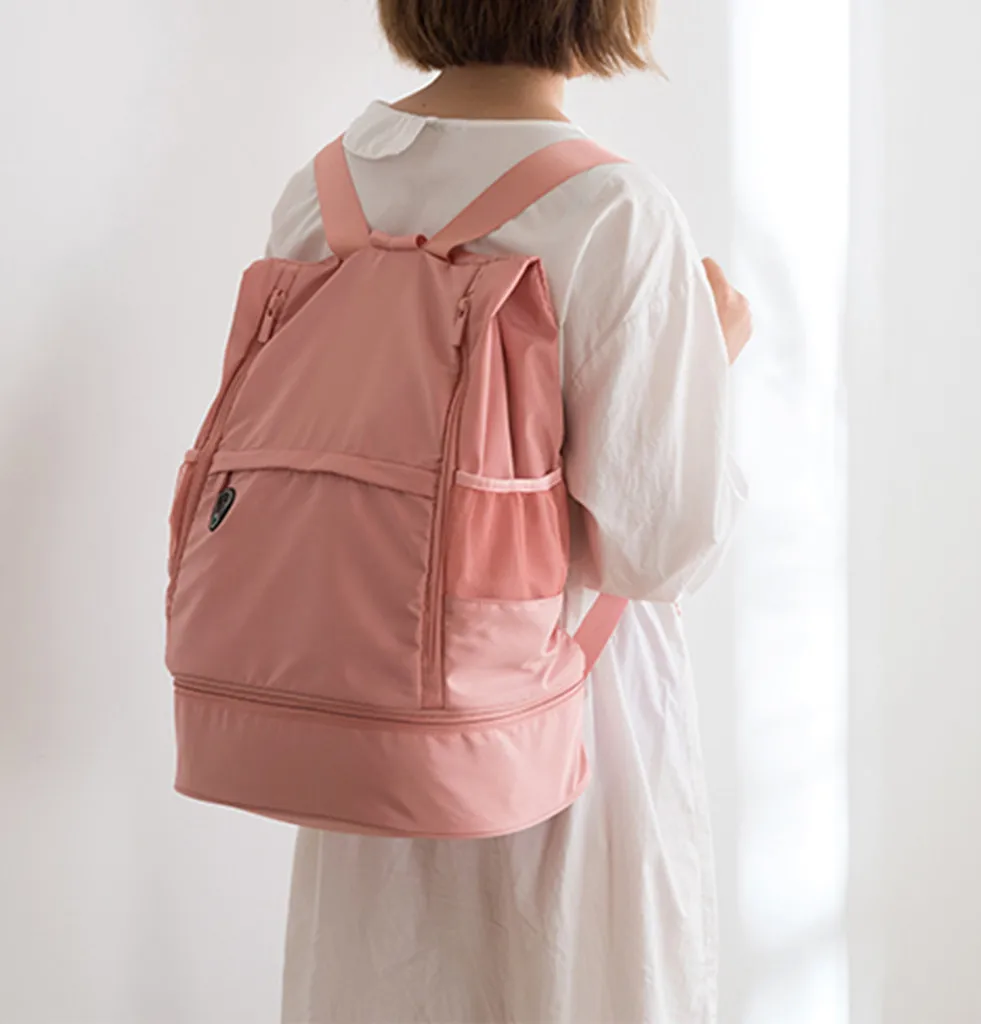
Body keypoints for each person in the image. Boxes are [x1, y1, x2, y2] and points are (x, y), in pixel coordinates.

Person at [270, 2, 751, 1021]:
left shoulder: (323, 192)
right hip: (563, 736)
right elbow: (659, 544)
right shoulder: (612, 209)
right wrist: (709, 361)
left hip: (366, 733)